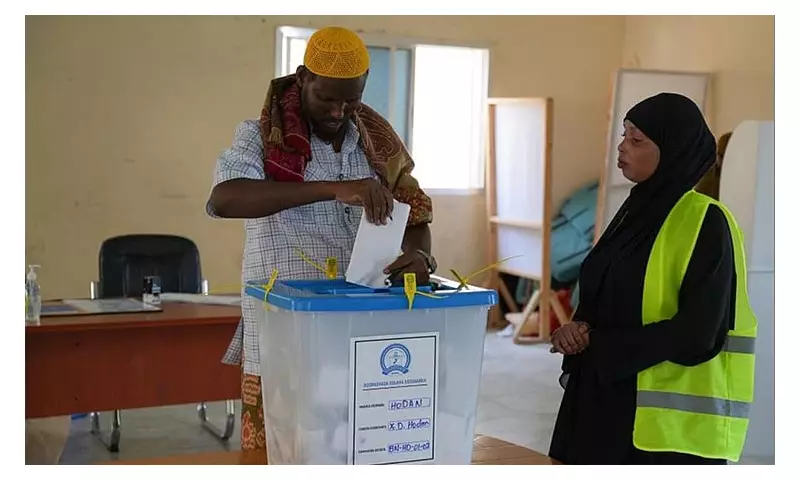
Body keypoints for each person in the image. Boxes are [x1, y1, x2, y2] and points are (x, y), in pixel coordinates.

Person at [205, 26, 436, 451]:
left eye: (352, 100)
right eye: (327, 98)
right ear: (302, 78)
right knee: (281, 453)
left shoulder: (376, 145)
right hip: (283, 333)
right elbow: (225, 198)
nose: (338, 111)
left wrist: (420, 255)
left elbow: (414, 215)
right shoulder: (259, 136)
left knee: (359, 450)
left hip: (360, 331)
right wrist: (332, 188)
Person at [548, 93, 757, 465]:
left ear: (673, 149)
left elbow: (700, 333)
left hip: (665, 432)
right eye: (624, 135)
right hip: (603, 399)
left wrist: (604, 346)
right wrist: (577, 327)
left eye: (637, 139)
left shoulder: (706, 222)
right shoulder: (633, 211)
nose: (622, 146)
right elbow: (609, 291)